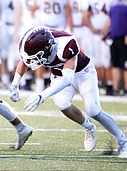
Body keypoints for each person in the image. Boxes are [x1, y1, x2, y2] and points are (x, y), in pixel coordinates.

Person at [9, 25, 127, 158]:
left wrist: (43, 95)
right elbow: (25, 61)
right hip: (59, 75)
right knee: (62, 103)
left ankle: (123, 142)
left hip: (83, 73)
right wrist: (14, 84)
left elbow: (67, 80)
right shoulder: (43, 43)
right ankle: (89, 127)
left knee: (93, 110)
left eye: (35, 56)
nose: (32, 61)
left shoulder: (67, 44)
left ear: (46, 49)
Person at [103, 0, 127, 95]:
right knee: (116, 64)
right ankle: (116, 89)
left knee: (126, 64)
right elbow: (111, 19)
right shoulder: (114, 1)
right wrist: (105, 31)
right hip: (114, 36)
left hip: (124, 36)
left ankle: (126, 90)